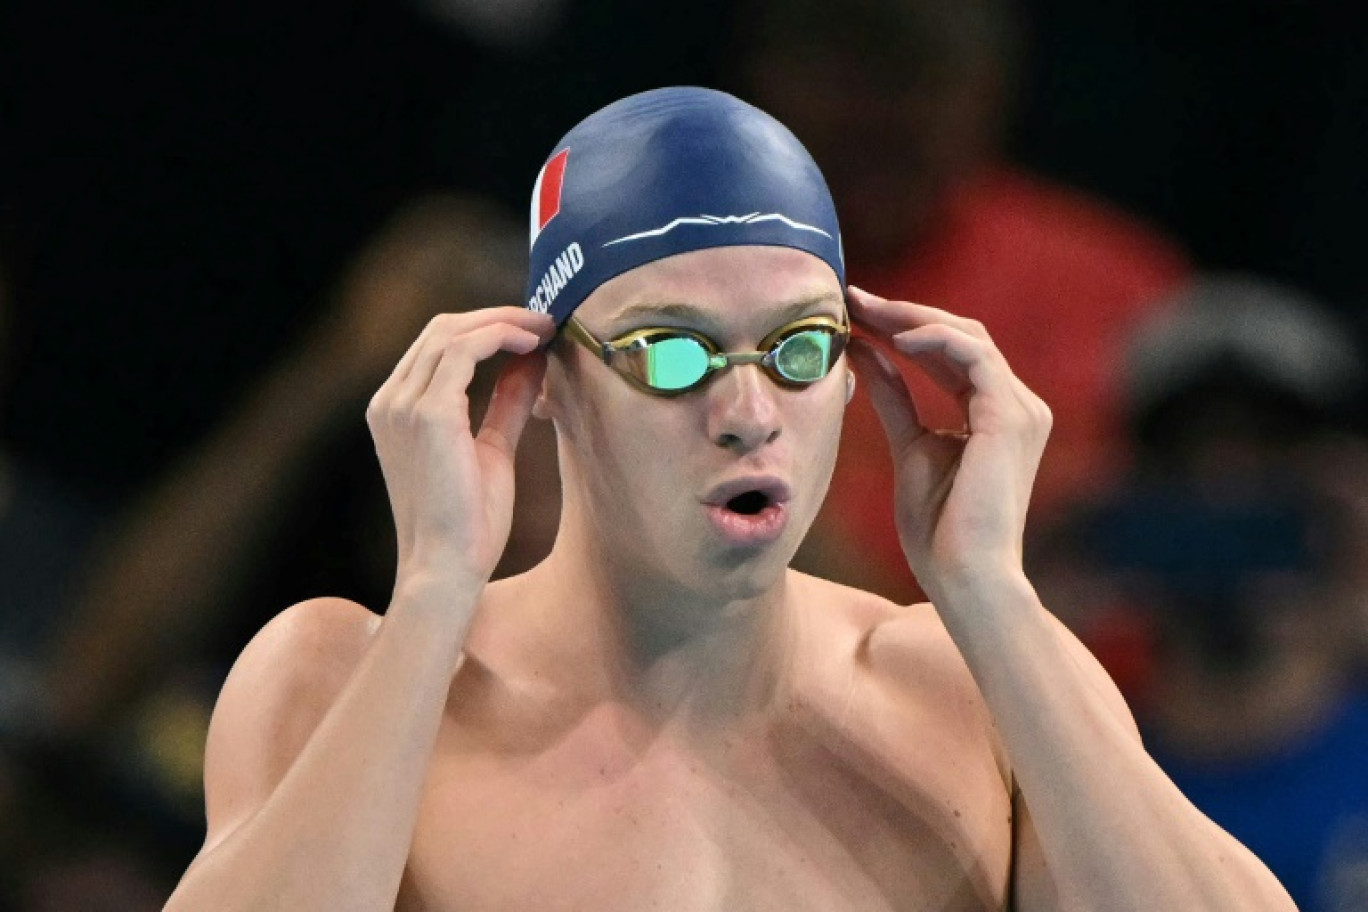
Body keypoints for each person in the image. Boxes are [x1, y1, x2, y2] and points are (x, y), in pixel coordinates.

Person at [164, 88, 1293, 911]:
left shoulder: (967, 687)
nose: (750, 409)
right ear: (545, 382)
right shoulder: (344, 679)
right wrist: (431, 598)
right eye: (671, 353)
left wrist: (992, 596)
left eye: (799, 347)